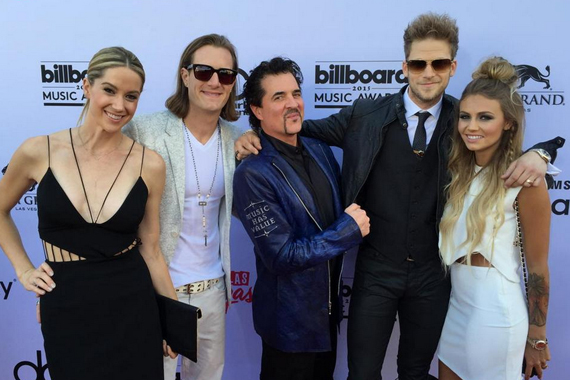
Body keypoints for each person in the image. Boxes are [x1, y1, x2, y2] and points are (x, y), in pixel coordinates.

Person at [234, 13, 563, 380]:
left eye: (438, 63)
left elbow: (503, 135)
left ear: (452, 66)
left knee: (416, 371)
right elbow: (293, 127)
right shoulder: (365, 114)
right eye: (419, 63)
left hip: (433, 276)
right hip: (375, 272)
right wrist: (248, 135)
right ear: (404, 66)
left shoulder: (464, 118)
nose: (428, 72)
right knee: (362, 372)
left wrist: (544, 151)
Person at [0, 47, 177, 380]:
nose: (119, 105)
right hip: (66, 304)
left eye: (131, 96)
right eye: (109, 90)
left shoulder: (149, 164)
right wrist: (23, 270)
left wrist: (172, 320)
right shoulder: (38, 151)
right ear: (86, 86)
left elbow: (151, 251)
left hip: (132, 304)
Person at [233, 57, 369, 380]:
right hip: (289, 331)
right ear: (257, 109)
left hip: (328, 321)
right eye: (278, 97)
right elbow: (281, 255)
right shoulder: (252, 172)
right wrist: (347, 232)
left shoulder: (319, 150)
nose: (292, 104)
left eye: (295, 93)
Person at [123, 34, 240, 380]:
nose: (215, 82)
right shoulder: (144, 131)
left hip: (212, 292)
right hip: (154, 290)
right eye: (204, 71)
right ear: (185, 75)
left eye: (226, 74)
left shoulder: (238, 139)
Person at [438, 57, 551, 380]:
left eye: (485, 117)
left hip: (496, 314)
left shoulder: (526, 180)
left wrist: (537, 335)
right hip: (457, 309)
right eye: (465, 117)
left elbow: (539, 269)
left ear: (508, 123)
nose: (471, 127)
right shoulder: (457, 173)